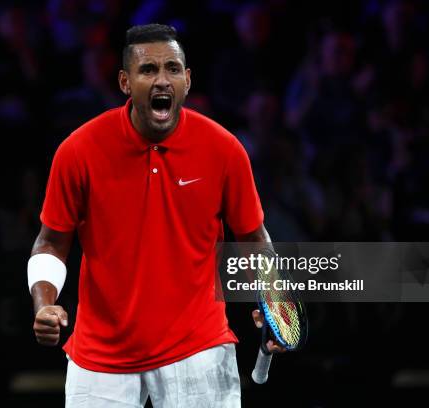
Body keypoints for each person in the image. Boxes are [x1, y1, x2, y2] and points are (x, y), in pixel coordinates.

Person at [27, 24, 284, 408]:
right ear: (125, 82)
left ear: (187, 80)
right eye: (148, 70)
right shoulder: (78, 151)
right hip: (101, 355)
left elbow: (252, 238)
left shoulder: (225, 150)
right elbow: (51, 241)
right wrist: (44, 303)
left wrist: (274, 299)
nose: (162, 79)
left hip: (199, 348)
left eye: (173, 69)